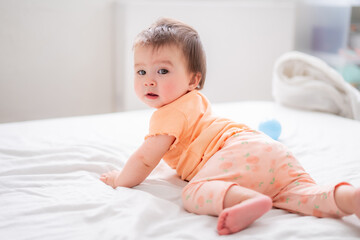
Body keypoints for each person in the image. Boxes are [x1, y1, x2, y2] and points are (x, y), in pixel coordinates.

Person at [100, 17, 360, 235]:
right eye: (141, 72)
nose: (149, 81)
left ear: (193, 79)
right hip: (266, 149)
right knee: (300, 193)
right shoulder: (195, 101)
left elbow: (145, 159)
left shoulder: (168, 113)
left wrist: (119, 179)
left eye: (163, 71)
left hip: (234, 151)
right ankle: (349, 198)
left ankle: (250, 200)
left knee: (194, 193)